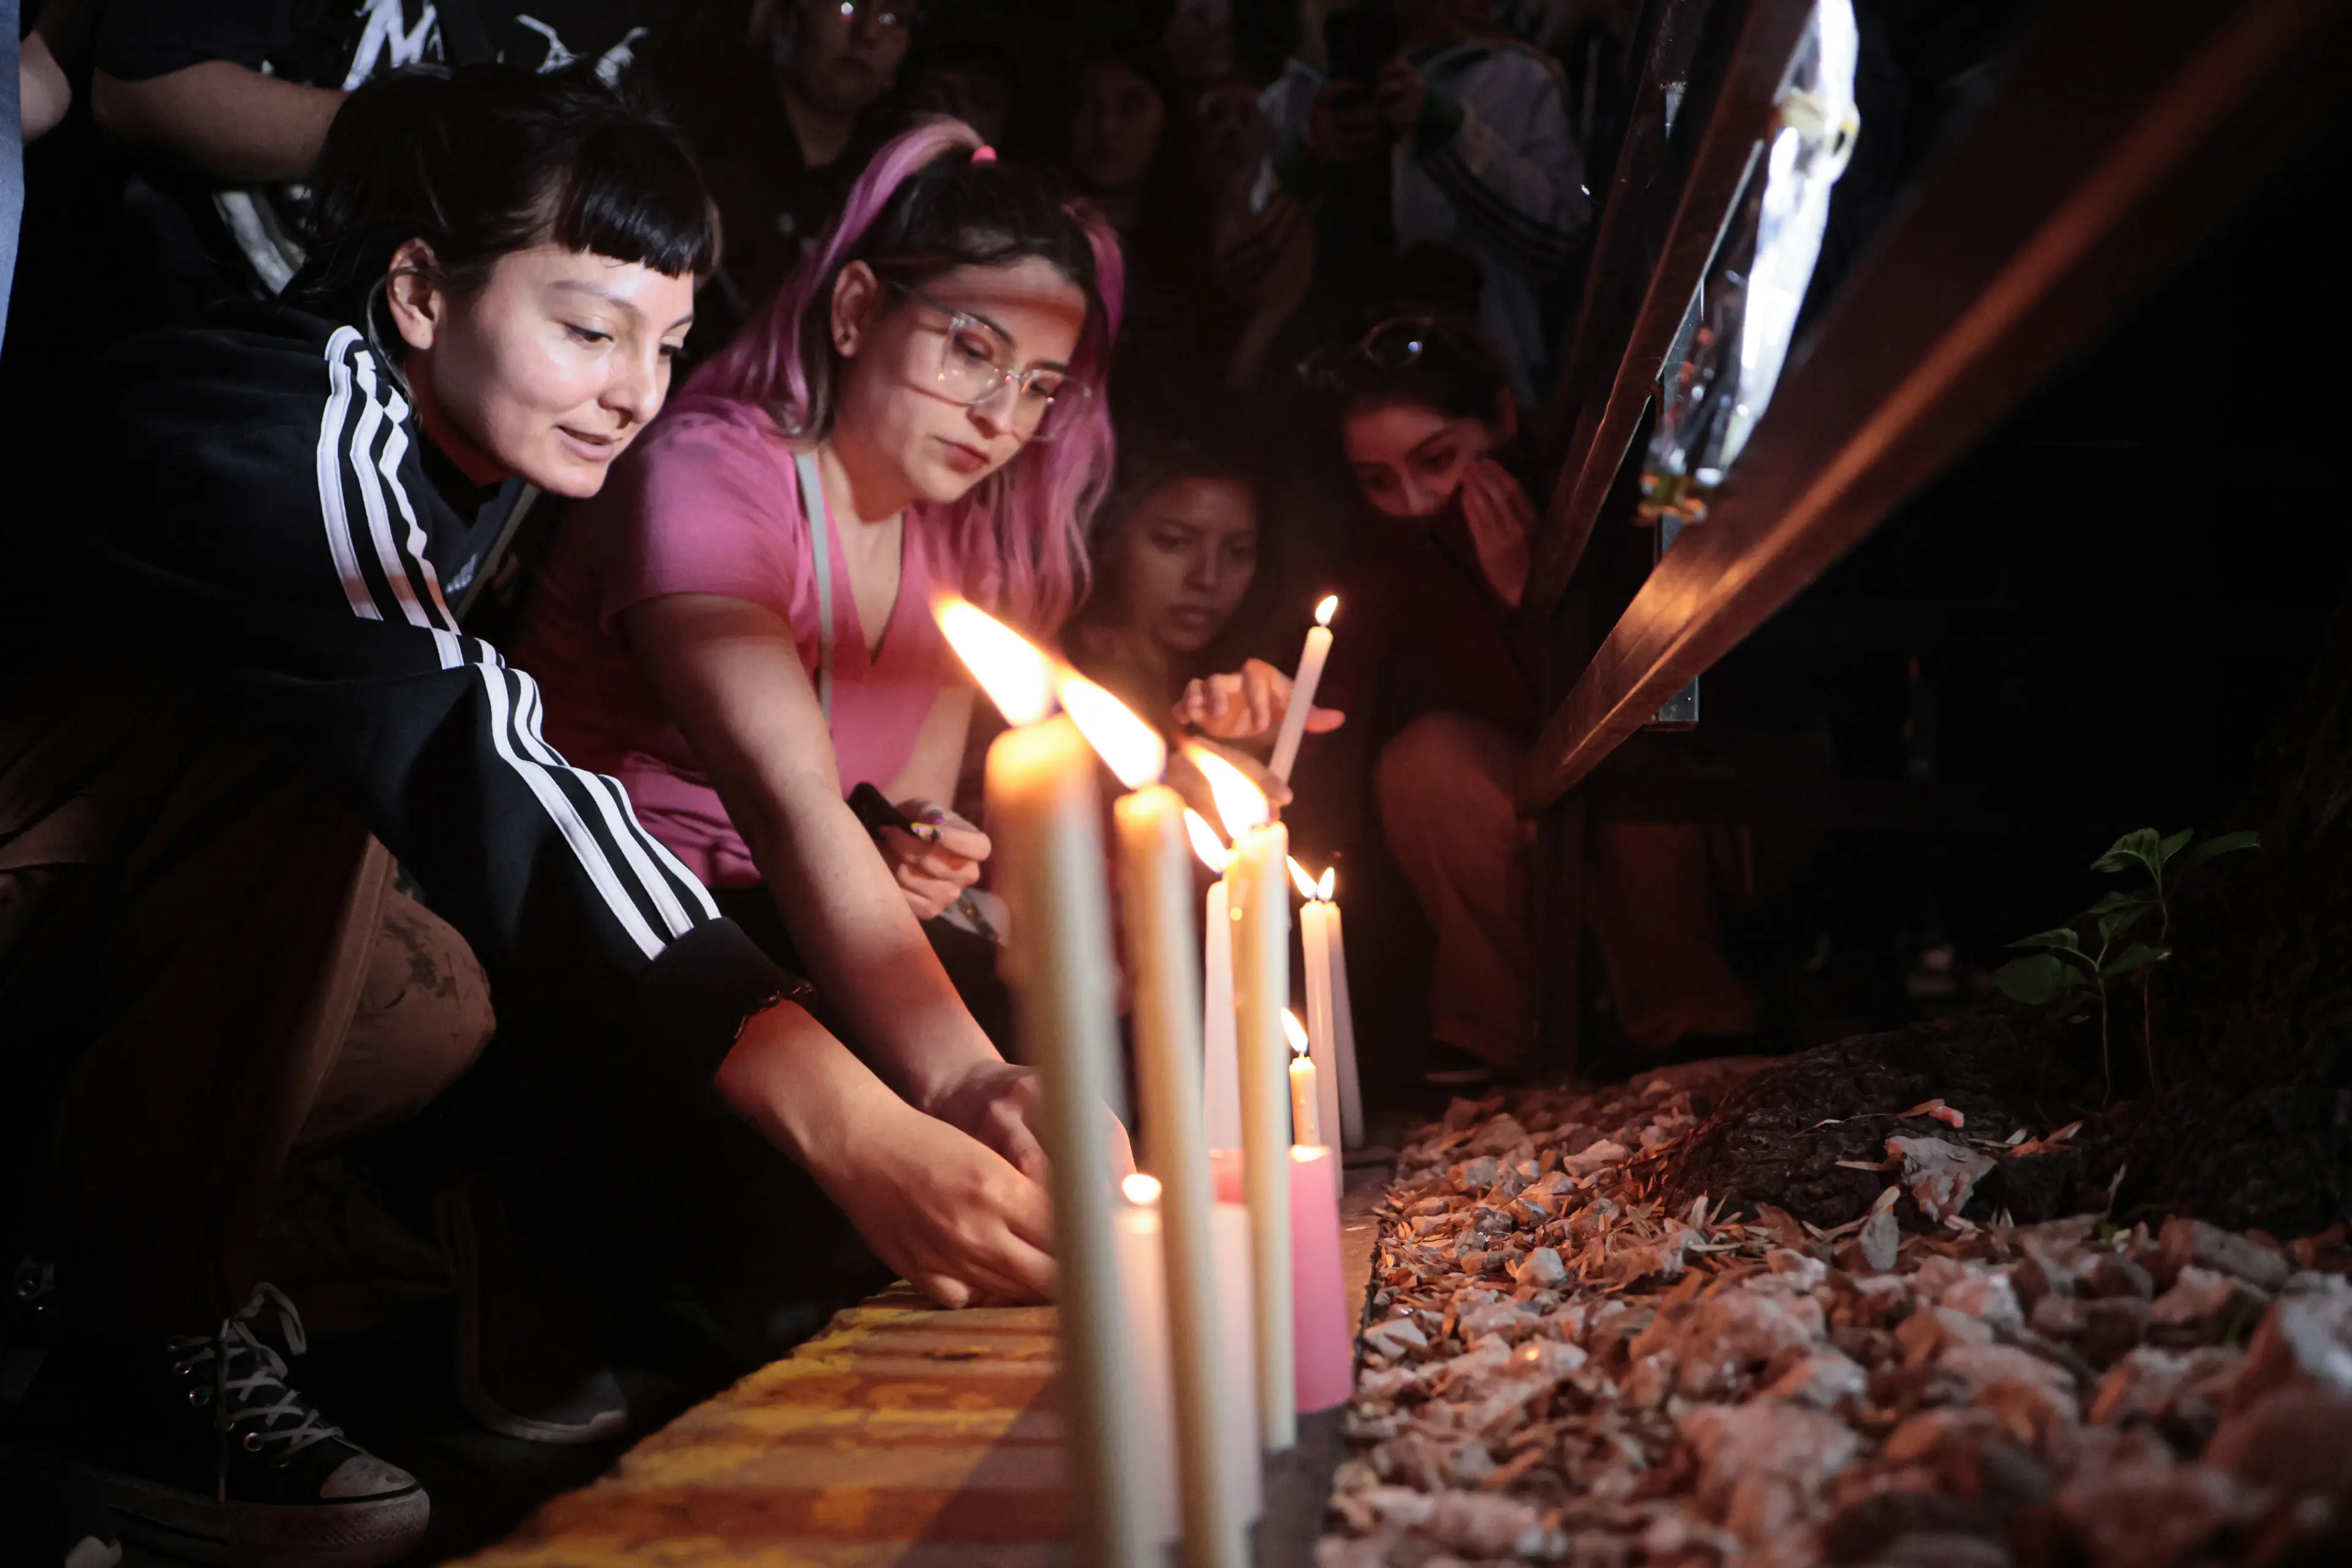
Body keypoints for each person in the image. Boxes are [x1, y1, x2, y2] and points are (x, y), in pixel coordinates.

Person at [0, 68, 1058, 1565]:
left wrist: (956, 1082)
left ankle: (72, 1260)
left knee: (433, 1001)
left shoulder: (481, 460)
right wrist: (863, 1130)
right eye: (587, 327)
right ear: (423, 291)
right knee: (325, 760)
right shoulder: (278, 414)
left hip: (77, 890)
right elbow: (470, 748)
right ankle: (132, 1343)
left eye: (669, 343)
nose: (634, 386)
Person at [515, 119, 1123, 1125]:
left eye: (1040, 389)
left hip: (796, 949)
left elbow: (896, 823)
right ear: (853, 310)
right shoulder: (709, 475)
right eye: (974, 352)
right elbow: (788, 801)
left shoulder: (950, 552)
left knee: (1091, 1043)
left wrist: (917, 857)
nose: (1000, 416)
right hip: (627, 937)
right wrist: (965, 1079)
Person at [1306, 312, 1759, 1078]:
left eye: (1439, 458)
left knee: (1634, 761)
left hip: (1654, 749)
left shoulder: (1596, 482)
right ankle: (1495, 1040)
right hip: (1513, 767)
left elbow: (1670, 679)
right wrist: (1269, 700)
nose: (1414, 498)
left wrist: (1536, 595)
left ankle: (1689, 1019)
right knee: (1426, 761)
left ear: (1505, 420)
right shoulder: (1395, 539)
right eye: (1380, 480)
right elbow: (1335, 665)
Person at [87, 0, 668, 311]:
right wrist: (415, 133)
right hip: (196, 290)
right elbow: (132, 91)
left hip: (418, 382)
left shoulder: (699, 32)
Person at [1259, 0, 1590, 401]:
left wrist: (1444, 131)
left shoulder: (1510, 78)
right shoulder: (1292, 96)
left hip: (1466, 384)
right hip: (1315, 384)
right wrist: (1308, 155)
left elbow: (1560, 240)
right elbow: (1237, 264)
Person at [660, 0, 914, 355]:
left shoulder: (894, 183)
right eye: (847, 5)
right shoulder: (702, 134)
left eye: (893, 18)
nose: (868, 33)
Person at [1061, 413, 1279, 722]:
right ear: (1108, 539)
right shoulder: (1050, 668)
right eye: (1174, 542)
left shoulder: (1252, 687)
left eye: (1238, 552)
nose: (1208, 579)